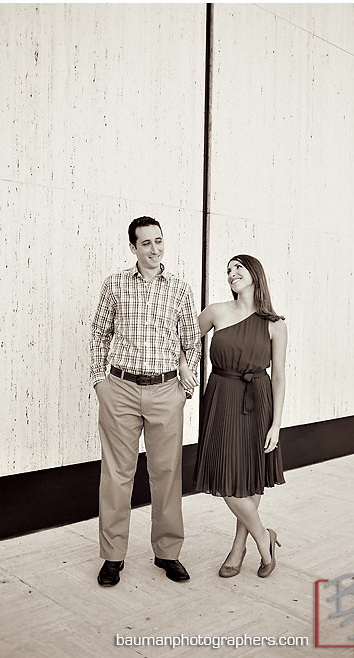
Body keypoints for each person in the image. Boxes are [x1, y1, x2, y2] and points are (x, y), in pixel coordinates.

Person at [91, 216, 201, 587]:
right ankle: (112, 557)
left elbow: (192, 341)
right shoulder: (115, 285)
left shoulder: (180, 290)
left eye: (159, 241)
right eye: (146, 243)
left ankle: (168, 553)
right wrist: (98, 382)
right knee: (117, 476)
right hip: (119, 389)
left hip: (165, 391)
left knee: (167, 474)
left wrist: (184, 387)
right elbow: (99, 332)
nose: (155, 249)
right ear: (133, 248)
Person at [191, 254, 286, 578]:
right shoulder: (216, 311)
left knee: (250, 476)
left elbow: (281, 376)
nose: (231, 274)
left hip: (258, 399)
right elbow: (184, 339)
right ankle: (264, 537)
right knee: (226, 478)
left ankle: (237, 548)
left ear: (255, 274)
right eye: (228, 270)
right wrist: (183, 366)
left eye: (238, 268)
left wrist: (276, 424)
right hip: (221, 397)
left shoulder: (275, 324)